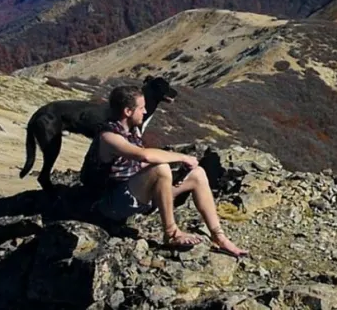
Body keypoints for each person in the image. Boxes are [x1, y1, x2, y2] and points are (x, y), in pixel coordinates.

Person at [80, 85, 247, 255]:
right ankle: (171, 233)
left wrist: (176, 172)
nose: (145, 112)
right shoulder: (109, 136)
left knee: (197, 175)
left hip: (131, 194)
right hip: (109, 204)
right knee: (160, 168)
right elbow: (143, 156)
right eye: (141, 108)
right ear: (128, 111)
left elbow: (137, 165)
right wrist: (181, 157)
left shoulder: (132, 132)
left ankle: (219, 237)